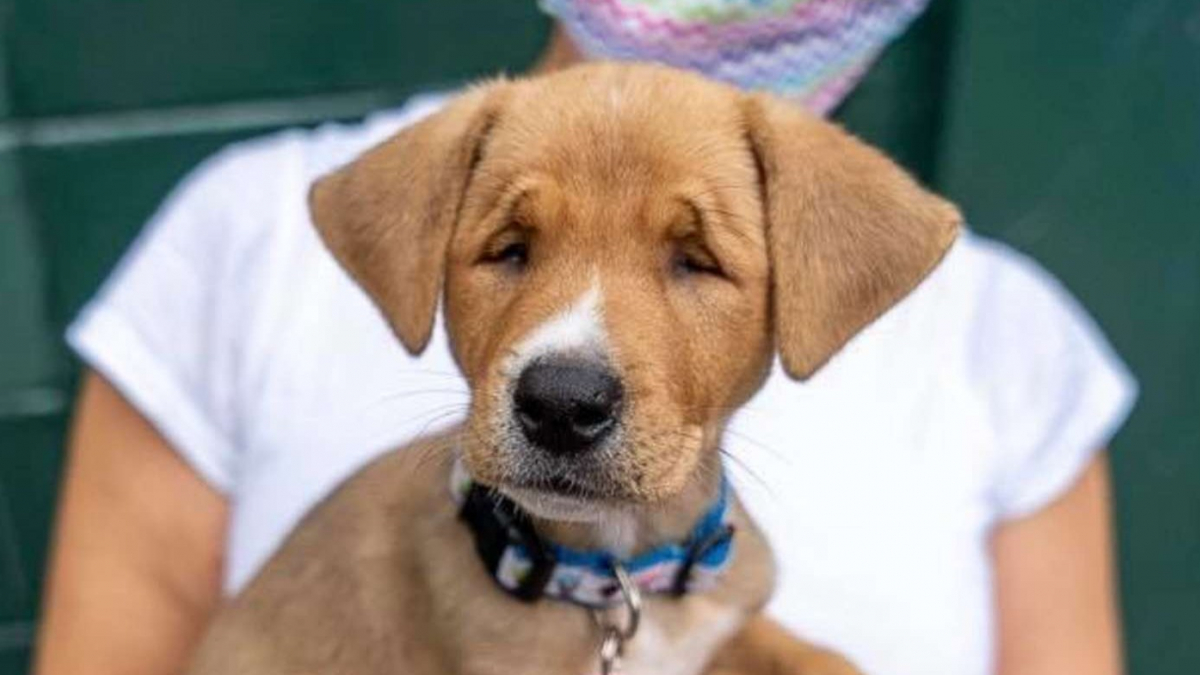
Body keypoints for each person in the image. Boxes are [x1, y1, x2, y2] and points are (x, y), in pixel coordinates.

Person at [33, 3, 1137, 675]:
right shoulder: (245, 229)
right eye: (511, 249)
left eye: (693, 260)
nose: (570, 363)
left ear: (814, 288)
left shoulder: (1008, 341)